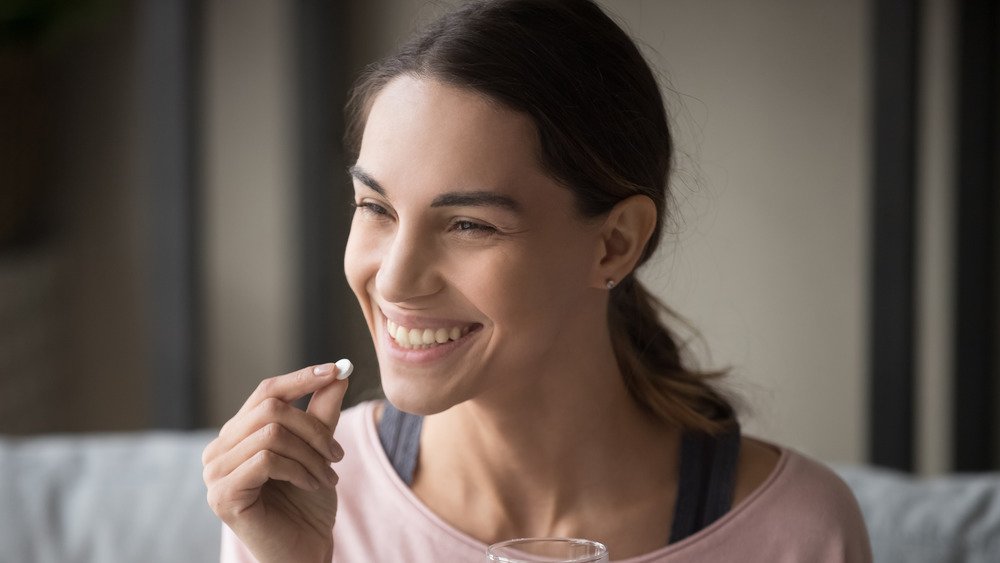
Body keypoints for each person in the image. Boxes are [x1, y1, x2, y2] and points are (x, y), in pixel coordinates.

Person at [202, 0, 873, 561]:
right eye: (376, 208)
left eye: (468, 224)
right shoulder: (298, 501)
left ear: (614, 244)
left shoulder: (797, 531)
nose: (396, 278)